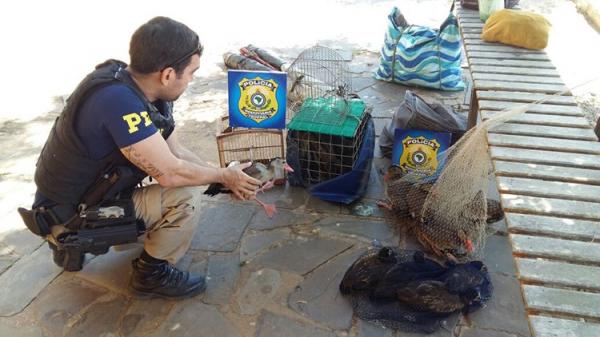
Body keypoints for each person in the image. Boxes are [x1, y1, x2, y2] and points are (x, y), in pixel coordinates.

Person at [26, 16, 261, 299]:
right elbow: (171, 173)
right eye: (191, 73)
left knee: (190, 182)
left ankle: (70, 243)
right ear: (167, 74)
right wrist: (222, 176)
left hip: (69, 203)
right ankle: (151, 274)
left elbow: (175, 152)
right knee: (185, 198)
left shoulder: (134, 87)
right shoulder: (119, 103)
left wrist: (221, 176)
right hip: (69, 214)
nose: (191, 80)